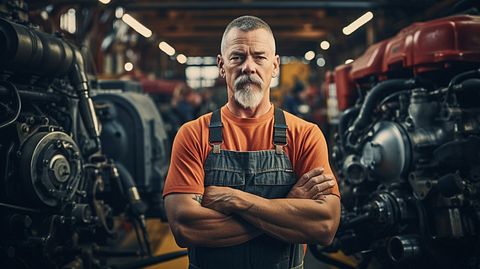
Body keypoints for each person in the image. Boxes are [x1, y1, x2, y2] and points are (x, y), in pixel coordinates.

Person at [163, 15, 341, 269]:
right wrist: (286, 208)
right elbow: (185, 228)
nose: (249, 66)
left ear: (275, 65)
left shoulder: (305, 134)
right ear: (222, 65)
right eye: (237, 57)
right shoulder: (193, 134)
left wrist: (235, 200)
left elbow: (324, 227)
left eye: (259, 56)